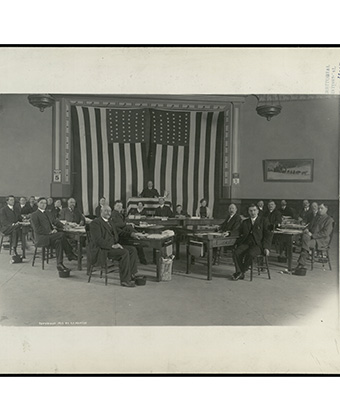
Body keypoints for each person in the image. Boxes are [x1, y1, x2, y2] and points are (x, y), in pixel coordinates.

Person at [90, 205, 140, 287]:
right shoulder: (95, 223)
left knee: (132, 249)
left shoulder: (110, 222)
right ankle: (125, 280)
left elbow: (119, 232)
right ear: (101, 212)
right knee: (124, 252)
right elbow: (98, 240)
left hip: (113, 247)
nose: (108, 213)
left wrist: (131, 234)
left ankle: (131, 274)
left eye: (109, 211)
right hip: (103, 249)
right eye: (106, 211)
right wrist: (112, 246)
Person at [30, 197, 77, 273]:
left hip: (49, 237)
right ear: (37, 204)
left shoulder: (48, 213)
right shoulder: (34, 215)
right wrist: (50, 232)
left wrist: (63, 226)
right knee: (61, 234)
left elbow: (55, 221)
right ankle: (69, 253)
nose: (43, 205)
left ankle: (59, 264)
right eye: (41, 203)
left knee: (59, 241)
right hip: (41, 238)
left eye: (45, 203)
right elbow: (37, 229)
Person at [232, 204, 272, 280]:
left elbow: (268, 235)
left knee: (250, 254)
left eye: (254, 210)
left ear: (258, 211)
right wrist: (229, 233)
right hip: (246, 243)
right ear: (248, 212)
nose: (253, 212)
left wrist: (266, 247)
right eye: (250, 211)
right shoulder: (245, 222)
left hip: (258, 245)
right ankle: (239, 272)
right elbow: (238, 231)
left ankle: (241, 272)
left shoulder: (264, 220)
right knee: (236, 252)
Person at [294, 203, 334, 273]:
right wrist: (307, 229)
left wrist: (312, 235)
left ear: (326, 209)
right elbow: (309, 226)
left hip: (321, 240)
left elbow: (325, 233)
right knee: (305, 237)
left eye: (322, 208)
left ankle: (301, 263)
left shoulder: (329, 220)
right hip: (312, 238)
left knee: (305, 243)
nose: (319, 210)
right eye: (319, 208)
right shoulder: (316, 217)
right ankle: (301, 263)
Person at [111, 200, 148, 265]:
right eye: (118, 206)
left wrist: (127, 223)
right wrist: (126, 224)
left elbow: (121, 223)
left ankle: (139, 236)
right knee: (135, 237)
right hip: (119, 235)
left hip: (123, 233)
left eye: (121, 206)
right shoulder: (114, 214)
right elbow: (116, 225)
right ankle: (140, 237)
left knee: (133, 233)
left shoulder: (119, 214)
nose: (119, 207)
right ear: (114, 206)